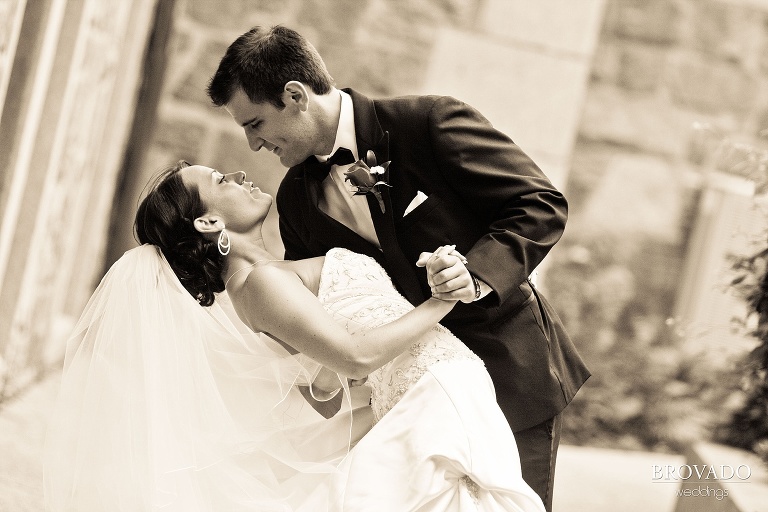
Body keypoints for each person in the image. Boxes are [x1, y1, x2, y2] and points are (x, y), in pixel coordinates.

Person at [207, 25, 590, 511]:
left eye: (255, 123)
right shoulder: (295, 200)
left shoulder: (428, 122)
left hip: (506, 370)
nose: (253, 145)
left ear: (295, 95)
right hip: (407, 404)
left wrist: (476, 273)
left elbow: (539, 204)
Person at [44, 161, 545, 511]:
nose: (239, 175)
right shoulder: (257, 283)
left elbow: (332, 373)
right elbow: (356, 357)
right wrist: (445, 298)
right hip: (433, 395)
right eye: (221, 179)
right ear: (209, 221)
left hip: (440, 389)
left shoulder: (271, 274)